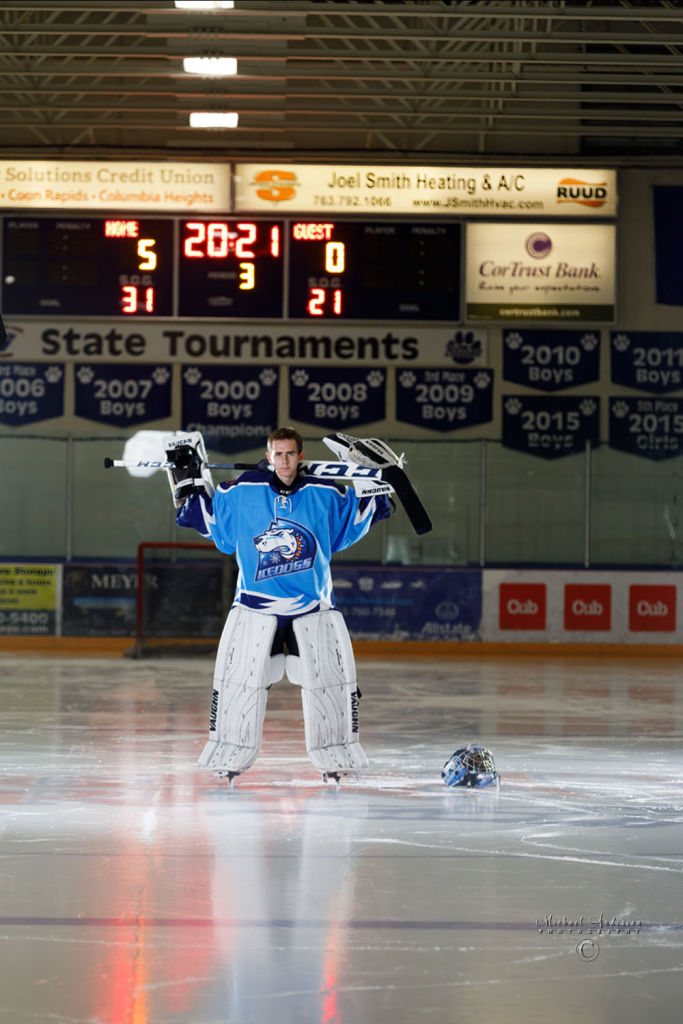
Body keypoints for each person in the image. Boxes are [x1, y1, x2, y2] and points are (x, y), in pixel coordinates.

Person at [173, 426, 393, 782]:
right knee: (239, 683)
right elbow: (209, 519)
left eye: (291, 454)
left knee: (331, 685)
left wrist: (375, 480)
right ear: (269, 455)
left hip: (313, 607)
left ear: (300, 456)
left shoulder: (325, 493)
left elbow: (364, 513)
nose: (285, 461)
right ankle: (229, 753)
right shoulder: (244, 490)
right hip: (255, 607)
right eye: (278, 454)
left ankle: (335, 757)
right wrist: (188, 477)